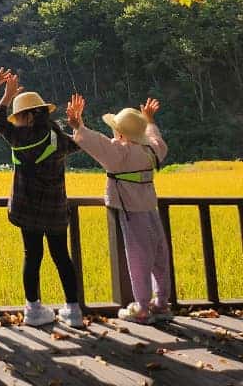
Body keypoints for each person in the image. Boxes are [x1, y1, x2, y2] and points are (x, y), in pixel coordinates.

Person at [0, 73, 83, 328]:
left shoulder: (18, 137)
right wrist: (77, 124)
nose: (15, 121)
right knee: (62, 257)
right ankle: (73, 311)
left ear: (27, 116)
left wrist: (3, 94)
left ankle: (32, 309)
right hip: (55, 209)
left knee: (32, 256)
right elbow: (79, 144)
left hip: (26, 209)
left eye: (18, 117)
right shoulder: (57, 137)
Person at [66, 94, 172, 324]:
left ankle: (142, 308)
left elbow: (96, 142)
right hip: (150, 208)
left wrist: (79, 125)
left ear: (121, 134)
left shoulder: (120, 153)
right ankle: (162, 302)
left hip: (131, 210)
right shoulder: (151, 152)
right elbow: (156, 139)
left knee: (138, 257)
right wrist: (150, 120)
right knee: (159, 254)